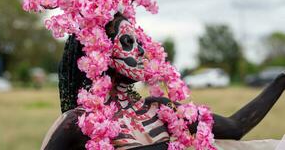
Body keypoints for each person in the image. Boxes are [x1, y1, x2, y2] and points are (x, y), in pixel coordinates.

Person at [40, 13, 285, 150]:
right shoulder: (79, 122)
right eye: (128, 43)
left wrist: (281, 81)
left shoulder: (160, 110)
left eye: (140, 44)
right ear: (99, 51)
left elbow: (235, 127)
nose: (140, 52)